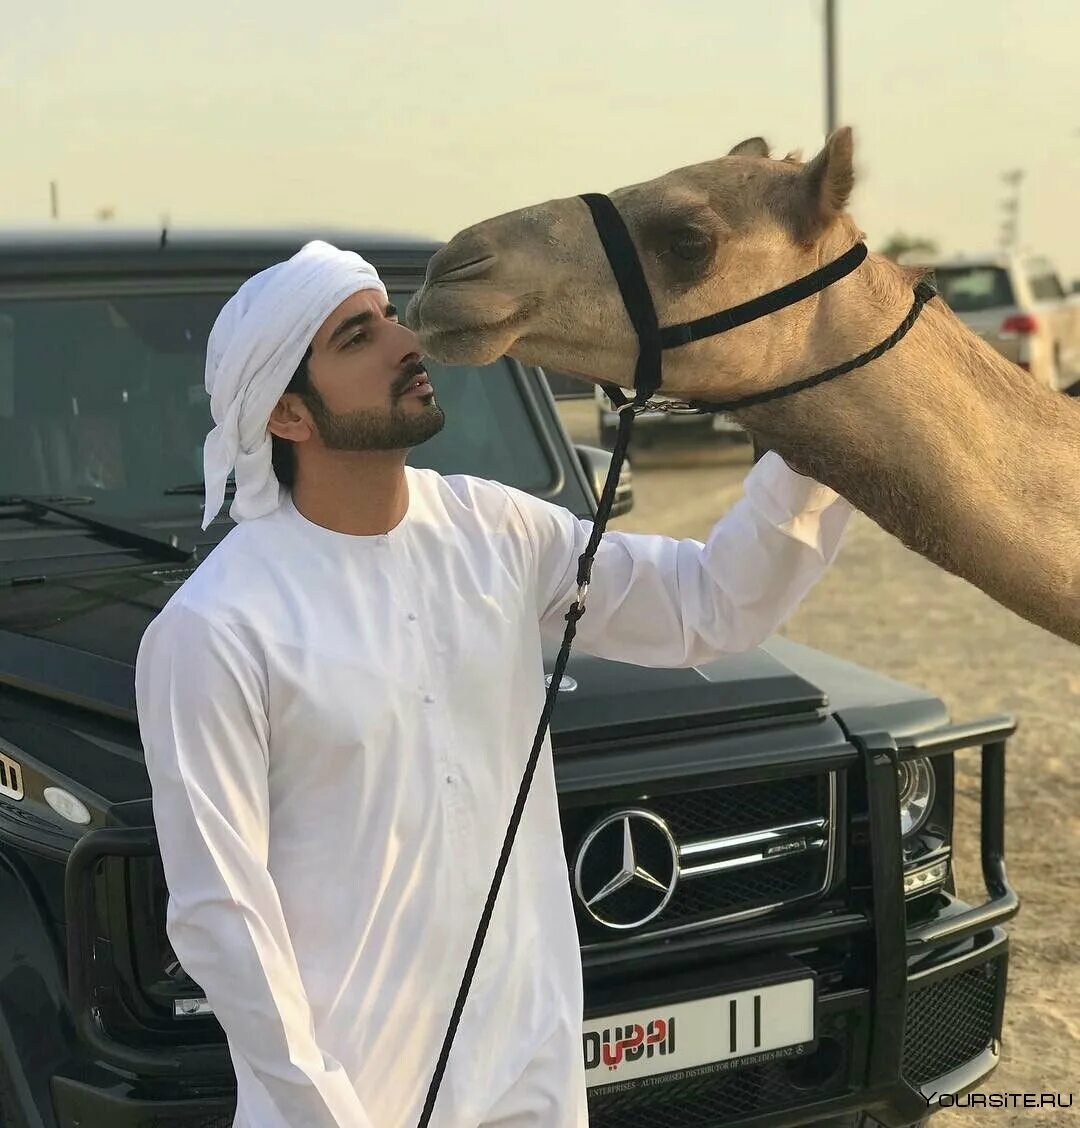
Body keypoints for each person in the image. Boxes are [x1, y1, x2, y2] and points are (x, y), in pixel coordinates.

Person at [134, 240, 854, 1128]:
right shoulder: (215, 628)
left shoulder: (492, 528)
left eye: (393, 314)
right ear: (288, 414)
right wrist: (325, 1112)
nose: (408, 342)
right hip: (354, 1098)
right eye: (359, 336)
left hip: (530, 1079)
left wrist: (828, 429)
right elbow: (221, 912)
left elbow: (709, 606)